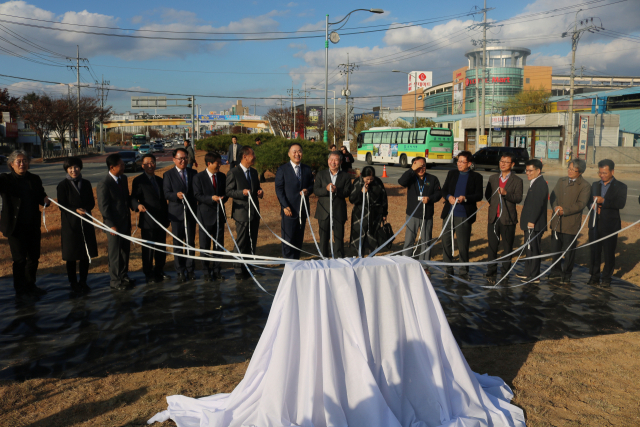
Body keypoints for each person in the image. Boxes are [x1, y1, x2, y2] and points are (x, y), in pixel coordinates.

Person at [0, 150, 50, 298]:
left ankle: (30, 285)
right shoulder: (5, 179)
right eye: (19, 161)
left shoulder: (34, 179)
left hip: (32, 225)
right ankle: (20, 290)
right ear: (11, 164)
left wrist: (45, 200)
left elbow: (41, 196)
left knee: (34, 258)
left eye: (25, 161)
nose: (22, 164)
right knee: (20, 259)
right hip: (15, 227)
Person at [57, 156, 98, 293]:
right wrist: (75, 210)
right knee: (71, 255)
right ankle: (73, 283)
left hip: (85, 222)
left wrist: (85, 209)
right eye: (70, 168)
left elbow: (91, 202)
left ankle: (83, 281)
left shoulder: (86, 183)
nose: (73, 170)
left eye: (76, 167)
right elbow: (62, 205)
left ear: (80, 168)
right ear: (66, 170)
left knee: (85, 254)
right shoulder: (62, 185)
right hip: (71, 225)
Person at [440, 151, 483, 277]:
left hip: (464, 214)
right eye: (458, 161)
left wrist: (465, 198)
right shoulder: (452, 173)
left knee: (463, 244)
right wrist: (448, 197)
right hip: (449, 213)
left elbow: (478, 195)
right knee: (446, 241)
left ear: (469, 164)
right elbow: (444, 190)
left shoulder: (476, 177)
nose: (459, 164)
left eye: (462, 162)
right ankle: (447, 269)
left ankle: (463, 271)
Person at [549, 158, 591, 281]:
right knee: (555, 249)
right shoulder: (561, 181)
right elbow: (553, 196)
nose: (570, 171)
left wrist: (565, 211)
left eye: (574, 169)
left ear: (580, 172)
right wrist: (555, 206)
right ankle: (555, 271)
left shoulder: (585, 186)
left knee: (569, 252)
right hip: (557, 221)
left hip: (571, 223)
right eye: (569, 168)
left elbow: (581, 204)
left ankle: (566, 274)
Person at [131, 154, 170, 284]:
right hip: (148, 220)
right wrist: (137, 206)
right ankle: (148, 273)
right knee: (148, 249)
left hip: (161, 220)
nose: (150, 165)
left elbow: (164, 200)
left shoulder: (160, 180)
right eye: (147, 163)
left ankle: (159, 270)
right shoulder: (138, 180)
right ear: (142, 165)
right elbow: (132, 198)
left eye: (152, 162)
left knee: (161, 248)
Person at [484, 152, 523, 281]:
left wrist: (506, 193)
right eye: (501, 161)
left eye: (506, 162)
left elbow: (518, 198)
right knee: (492, 247)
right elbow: (488, 194)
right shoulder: (493, 178)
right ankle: (491, 271)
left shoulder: (517, 180)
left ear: (512, 164)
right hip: (493, 218)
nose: (503, 164)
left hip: (508, 219)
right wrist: (494, 205)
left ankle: (505, 273)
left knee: (507, 248)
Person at [97, 153, 134, 290]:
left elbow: (126, 198)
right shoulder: (104, 184)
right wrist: (111, 225)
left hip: (125, 222)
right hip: (113, 226)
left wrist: (135, 205)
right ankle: (115, 281)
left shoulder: (123, 179)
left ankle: (124, 276)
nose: (124, 167)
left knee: (125, 251)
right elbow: (104, 207)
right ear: (112, 167)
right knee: (115, 254)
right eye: (121, 165)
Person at [226, 146, 264, 279]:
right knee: (241, 241)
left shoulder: (253, 172)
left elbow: (257, 187)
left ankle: (250, 267)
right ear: (245, 156)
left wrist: (260, 192)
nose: (254, 157)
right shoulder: (234, 172)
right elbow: (229, 191)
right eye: (252, 154)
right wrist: (241, 193)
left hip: (254, 212)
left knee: (252, 240)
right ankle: (238, 269)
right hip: (241, 213)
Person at [588, 159, 627, 286]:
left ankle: (606, 279)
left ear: (612, 171)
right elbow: (588, 202)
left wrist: (603, 201)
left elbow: (620, 204)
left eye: (605, 173)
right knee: (594, 252)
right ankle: (594, 277)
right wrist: (591, 206)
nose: (602, 175)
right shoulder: (595, 185)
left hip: (610, 225)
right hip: (595, 224)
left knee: (609, 253)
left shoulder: (621, 186)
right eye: (600, 173)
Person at [398, 157, 442, 266]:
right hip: (412, 214)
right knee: (409, 241)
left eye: (424, 166)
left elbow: (438, 194)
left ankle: (424, 265)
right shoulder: (411, 177)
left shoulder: (432, 179)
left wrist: (430, 198)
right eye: (419, 166)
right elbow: (401, 182)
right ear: (414, 165)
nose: (421, 168)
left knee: (426, 242)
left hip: (427, 216)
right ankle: (405, 264)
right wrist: (412, 170)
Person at [164, 148, 199, 283]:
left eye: (185, 158)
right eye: (180, 158)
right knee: (178, 243)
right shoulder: (168, 175)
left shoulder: (193, 173)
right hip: (176, 214)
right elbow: (166, 193)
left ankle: (190, 269)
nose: (183, 161)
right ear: (174, 160)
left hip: (190, 213)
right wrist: (176, 196)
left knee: (190, 242)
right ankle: (180, 270)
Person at [275, 142, 314, 259]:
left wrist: (308, 190)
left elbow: (312, 185)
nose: (297, 154)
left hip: (302, 210)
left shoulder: (307, 169)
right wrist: (284, 206)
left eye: (299, 151)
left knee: (298, 239)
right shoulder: (282, 169)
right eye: (294, 152)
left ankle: (296, 262)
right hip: (289, 210)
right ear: (289, 154)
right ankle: (288, 264)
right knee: (288, 239)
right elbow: (279, 189)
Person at [194, 152, 228, 281]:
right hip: (205, 216)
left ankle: (217, 270)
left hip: (219, 215)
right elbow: (197, 195)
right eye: (217, 163)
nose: (220, 165)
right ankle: (206, 271)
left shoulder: (222, 176)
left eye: (220, 162)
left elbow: (226, 193)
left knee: (219, 245)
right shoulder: (199, 177)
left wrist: (222, 199)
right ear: (209, 163)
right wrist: (211, 199)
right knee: (205, 245)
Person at [314, 151, 354, 258]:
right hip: (324, 211)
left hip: (338, 211)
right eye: (331, 160)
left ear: (340, 162)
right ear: (328, 161)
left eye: (336, 160)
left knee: (339, 237)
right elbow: (316, 190)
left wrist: (337, 190)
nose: (333, 162)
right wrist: (326, 190)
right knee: (323, 237)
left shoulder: (345, 176)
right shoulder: (321, 174)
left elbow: (347, 192)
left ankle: (339, 258)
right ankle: (323, 258)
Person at [517, 159, 549, 283]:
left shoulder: (540, 184)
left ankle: (534, 275)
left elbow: (538, 204)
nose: (527, 173)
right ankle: (528, 271)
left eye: (530, 170)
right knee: (528, 248)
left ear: (538, 170)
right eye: (526, 170)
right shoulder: (535, 182)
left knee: (534, 249)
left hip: (534, 224)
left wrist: (531, 220)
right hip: (530, 223)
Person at [349, 166, 388, 256]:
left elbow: (384, 198)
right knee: (358, 235)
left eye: (371, 179)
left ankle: (371, 254)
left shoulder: (378, 182)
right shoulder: (357, 182)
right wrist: (361, 192)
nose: (369, 181)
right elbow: (352, 199)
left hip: (375, 213)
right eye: (367, 179)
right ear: (363, 176)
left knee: (372, 235)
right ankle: (358, 254)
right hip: (359, 213)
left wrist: (384, 212)